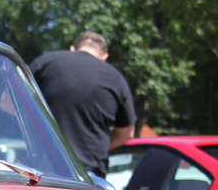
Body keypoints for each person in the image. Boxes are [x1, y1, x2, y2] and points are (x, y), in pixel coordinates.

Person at [29, 31, 137, 176]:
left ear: (73, 49)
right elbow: (127, 133)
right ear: (104, 57)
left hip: (43, 172)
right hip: (89, 175)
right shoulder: (116, 78)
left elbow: (7, 103)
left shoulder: (45, 62)